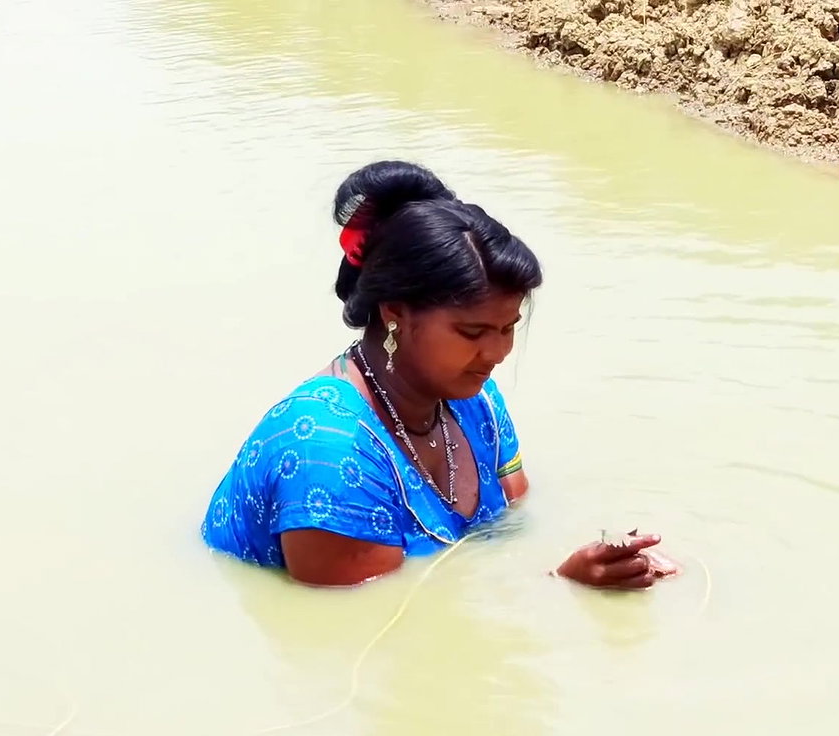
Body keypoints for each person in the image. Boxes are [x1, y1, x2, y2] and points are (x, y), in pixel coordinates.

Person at [201, 160, 677, 589]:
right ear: (394, 314)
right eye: (472, 331)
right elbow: (366, 628)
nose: (497, 352)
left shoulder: (476, 399)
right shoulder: (326, 450)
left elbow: (513, 524)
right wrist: (557, 583)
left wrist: (608, 557)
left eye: (508, 328)